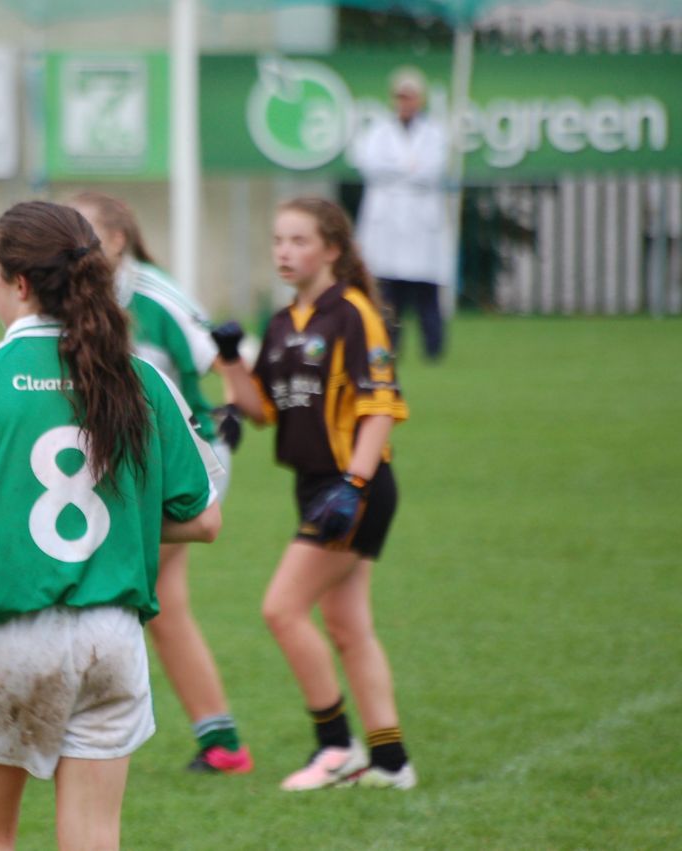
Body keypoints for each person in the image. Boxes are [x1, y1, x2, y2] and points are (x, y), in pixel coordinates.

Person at [0, 200, 223, 849]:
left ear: (19, 283)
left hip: (7, 637)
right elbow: (204, 520)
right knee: (94, 837)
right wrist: (123, 524)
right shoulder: (140, 377)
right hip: (112, 639)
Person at [212, 197, 416, 791]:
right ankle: (391, 761)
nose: (284, 251)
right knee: (349, 626)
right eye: (278, 240)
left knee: (281, 608)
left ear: (332, 249)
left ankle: (335, 746)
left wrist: (353, 485)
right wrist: (229, 361)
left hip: (355, 485)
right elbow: (262, 410)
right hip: (314, 487)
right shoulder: (280, 324)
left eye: (299, 241)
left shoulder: (352, 314)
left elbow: (379, 408)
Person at [68, 190, 252, 775]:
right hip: (138, 463)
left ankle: (76, 727)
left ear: (117, 241)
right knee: (162, 606)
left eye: (85, 231)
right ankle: (220, 739)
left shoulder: (153, 295)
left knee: (107, 581)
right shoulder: (75, 298)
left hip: (187, 463)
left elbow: (231, 355)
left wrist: (232, 413)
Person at [350, 66, 452, 361]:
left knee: (426, 294)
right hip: (388, 227)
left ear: (420, 99)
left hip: (422, 228)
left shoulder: (434, 133)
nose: (405, 103)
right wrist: (407, 171)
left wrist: (395, 173)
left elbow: (433, 170)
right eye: (400, 97)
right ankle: (387, 350)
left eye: (410, 97)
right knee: (387, 294)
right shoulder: (378, 131)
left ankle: (434, 352)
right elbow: (368, 165)